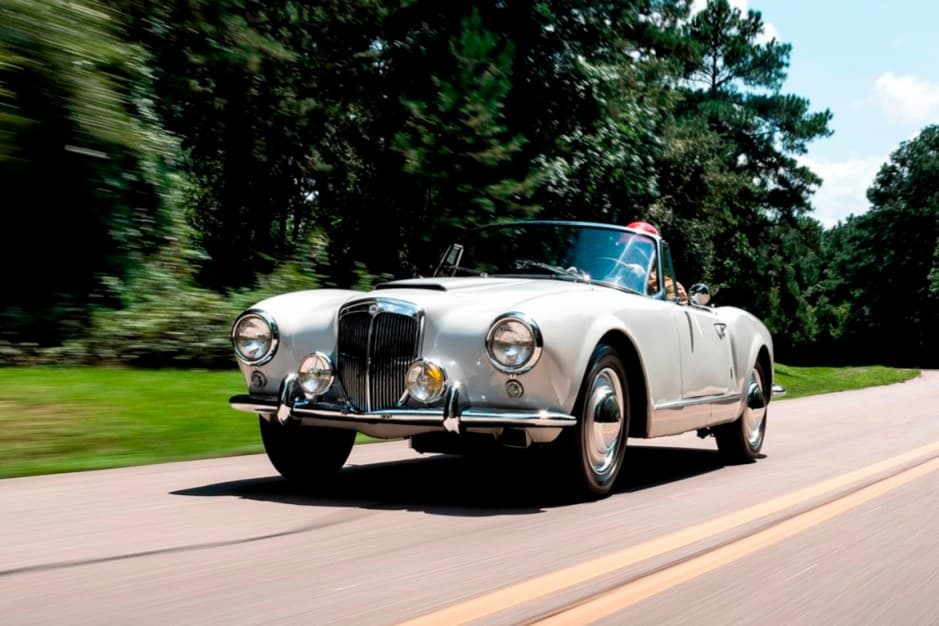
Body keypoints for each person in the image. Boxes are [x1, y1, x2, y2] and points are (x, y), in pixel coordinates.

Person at [625, 221, 688, 305]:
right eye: (629, 248)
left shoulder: (669, 286)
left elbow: (673, 314)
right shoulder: (611, 278)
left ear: (655, 255)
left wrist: (643, 282)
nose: (634, 254)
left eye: (643, 248)